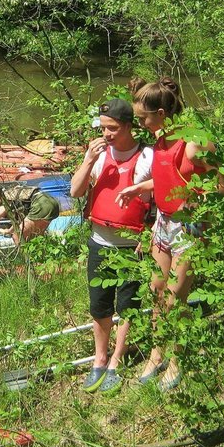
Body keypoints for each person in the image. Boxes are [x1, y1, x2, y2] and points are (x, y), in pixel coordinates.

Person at [125, 78, 224, 392]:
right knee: (156, 292)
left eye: (143, 118)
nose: (139, 124)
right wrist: (139, 188)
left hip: (189, 227)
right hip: (164, 224)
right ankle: (156, 354)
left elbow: (222, 185)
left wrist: (200, 201)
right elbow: (166, 179)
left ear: (161, 112)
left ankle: (177, 359)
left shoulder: (195, 140)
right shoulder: (159, 140)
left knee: (174, 299)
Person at [70, 97, 154, 394]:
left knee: (128, 305)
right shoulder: (100, 156)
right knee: (99, 306)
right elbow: (76, 190)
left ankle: (117, 360)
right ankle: (100, 358)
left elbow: (161, 195)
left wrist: (150, 234)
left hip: (132, 246)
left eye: (113, 128)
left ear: (129, 126)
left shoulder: (147, 157)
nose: (106, 134)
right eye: (103, 128)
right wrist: (88, 160)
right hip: (99, 242)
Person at [0, 183, 61, 253]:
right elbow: (21, 220)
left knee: (17, 236)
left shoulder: (1, 208)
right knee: (36, 237)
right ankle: (44, 261)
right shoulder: (10, 196)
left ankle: (29, 266)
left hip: (41, 205)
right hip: (51, 201)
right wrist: (9, 230)